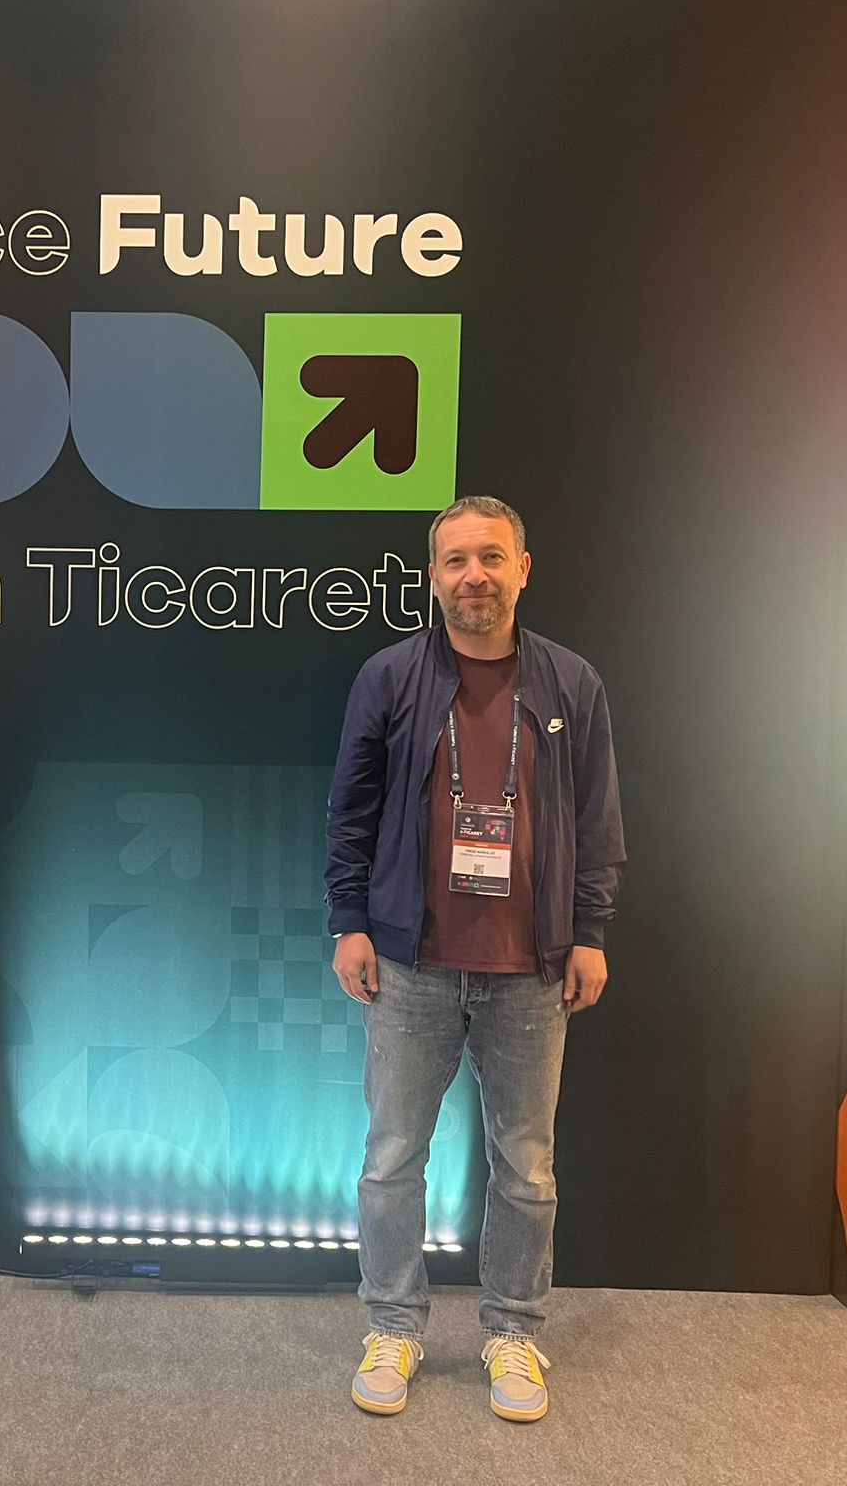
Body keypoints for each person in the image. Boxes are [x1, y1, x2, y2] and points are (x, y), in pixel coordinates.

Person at [325, 496, 625, 1422]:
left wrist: (591, 930)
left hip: (531, 971)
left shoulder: (571, 683)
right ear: (433, 576)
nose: (474, 577)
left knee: (526, 1167)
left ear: (523, 569)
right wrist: (350, 920)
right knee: (391, 1158)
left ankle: (513, 1332)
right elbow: (350, 808)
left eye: (491, 557)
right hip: (410, 963)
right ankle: (392, 1326)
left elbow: (599, 820)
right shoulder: (390, 677)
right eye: (456, 560)